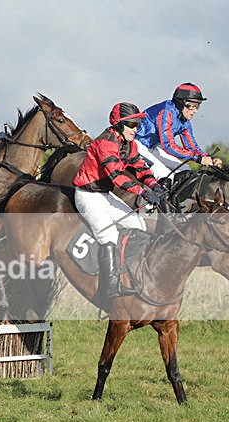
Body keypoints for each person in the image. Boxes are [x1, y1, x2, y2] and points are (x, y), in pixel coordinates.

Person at [73, 102, 167, 300]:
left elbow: (140, 168)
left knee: (138, 225)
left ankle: (131, 275)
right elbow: (117, 177)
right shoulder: (105, 143)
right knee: (109, 235)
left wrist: (155, 185)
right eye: (131, 125)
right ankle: (109, 287)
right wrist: (143, 192)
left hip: (105, 195)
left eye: (137, 124)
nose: (136, 129)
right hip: (87, 196)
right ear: (118, 124)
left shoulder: (129, 143)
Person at [134, 82, 223, 192]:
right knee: (164, 175)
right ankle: (151, 206)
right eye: (192, 106)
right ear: (181, 103)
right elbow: (168, 146)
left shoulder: (185, 121)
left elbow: (191, 146)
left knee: (185, 170)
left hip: (152, 147)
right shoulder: (166, 113)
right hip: (135, 145)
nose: (195, 111)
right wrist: (198, 158)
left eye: (197, 107)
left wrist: (208, 158)